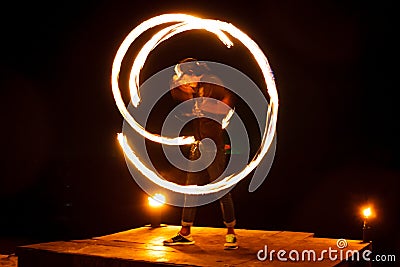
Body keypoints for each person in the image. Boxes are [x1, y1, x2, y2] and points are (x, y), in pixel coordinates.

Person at [163, 58, 238, 250]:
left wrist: (206, 107)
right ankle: (185, 232)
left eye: (185, 78)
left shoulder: (211, 82)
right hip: (198, 144)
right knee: (190, 188)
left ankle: (231, 233)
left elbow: (226, 103)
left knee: (220, 188)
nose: (184, 83)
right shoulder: (198, 89)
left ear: (193, 73)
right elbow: (182, 99)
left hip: (212, 145)